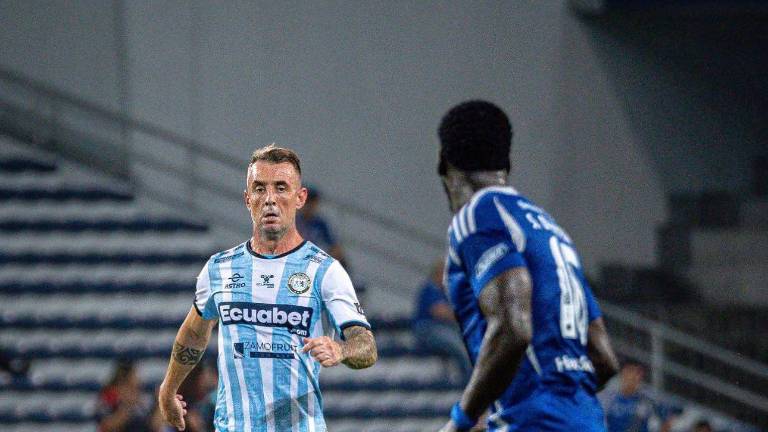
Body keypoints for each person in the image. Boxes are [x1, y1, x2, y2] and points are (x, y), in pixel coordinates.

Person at [158, 144, 377, 432]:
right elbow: (195, 332)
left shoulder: (325, 270)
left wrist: (340, 348)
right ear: (248, 199)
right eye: (260, 189)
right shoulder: (219, 268)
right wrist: (168, 389)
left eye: (281, 188)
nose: (270, 199)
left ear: (300, 198)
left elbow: (367, 346)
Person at [435, 100, 620, 431]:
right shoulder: (550, 230)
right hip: (589, 421)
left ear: (444, 162)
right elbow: (603, 358)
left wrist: (461, 420)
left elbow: (513, 329)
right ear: (506, 161)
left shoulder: (478, 214)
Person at [413, 260, 472, 384]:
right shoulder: (430, 289)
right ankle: (469, 379)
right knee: (459, 345)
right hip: (427, 330)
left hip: (442, 328)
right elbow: (439, 311)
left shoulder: (444, 292)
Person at [602, 362, 672, 432]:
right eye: (630, 371)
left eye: (637, 373)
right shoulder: (609, 399)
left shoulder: (648, 399)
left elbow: (667, 420)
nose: (632, 376)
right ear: (622, 374)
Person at [96, 360, 151, 432]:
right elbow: (107, 425)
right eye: (134, 374)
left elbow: (153, 425)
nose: (138, 379)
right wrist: (128, 406)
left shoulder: (141, 399)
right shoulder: (108, 396)